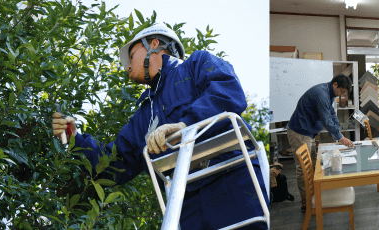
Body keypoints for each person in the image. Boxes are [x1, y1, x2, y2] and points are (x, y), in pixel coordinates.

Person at [51, 24, 269, 228]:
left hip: (232, 180)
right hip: (186, 200)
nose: (128, 65)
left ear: (153, 44)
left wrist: (185, 125)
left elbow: (227, 92)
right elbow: (112, 164)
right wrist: (74, 137)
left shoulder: (196, 65)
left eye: (132, 55)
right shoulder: (144, 115)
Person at [285, 74, 355, 213]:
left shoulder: (328, 94)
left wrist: (339, 133)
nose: (341, 95)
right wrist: (341, 138)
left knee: (312, 167)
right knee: (303, 170)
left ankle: (312, 198)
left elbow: (332, 115)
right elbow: (326, 120)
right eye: (341, 91)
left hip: (308, 133)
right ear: (335, 84)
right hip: (299, 132)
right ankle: (307, 204)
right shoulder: (321, 94)